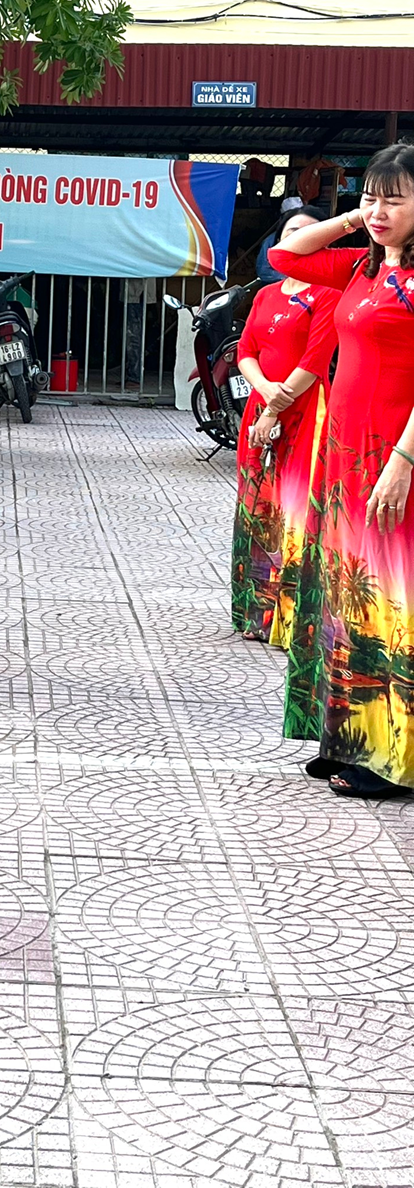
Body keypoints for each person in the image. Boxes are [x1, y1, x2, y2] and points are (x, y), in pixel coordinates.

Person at [270, 142, 414, 797]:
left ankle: (394, 757)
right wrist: (358, 218)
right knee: (346, 593)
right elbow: (285, 256)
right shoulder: (361, 267)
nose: (379, 210)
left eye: (394, 200)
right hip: (343, 459)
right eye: (372, 196)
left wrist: (404, 460)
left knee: (390, 597)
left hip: (392, 458)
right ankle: (350, 738)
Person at [232, 208, 339, 646]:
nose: (301, 239)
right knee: (256, 503)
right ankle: (254, 612)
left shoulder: (328, 293)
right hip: (260, 407)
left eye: (311, 233)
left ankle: (290, 620)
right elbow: (245, 350)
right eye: (292, 232)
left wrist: (275, 408)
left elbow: (315, 361)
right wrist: (263, 392)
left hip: (305, 409)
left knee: (294, 509)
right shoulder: (265, 294)